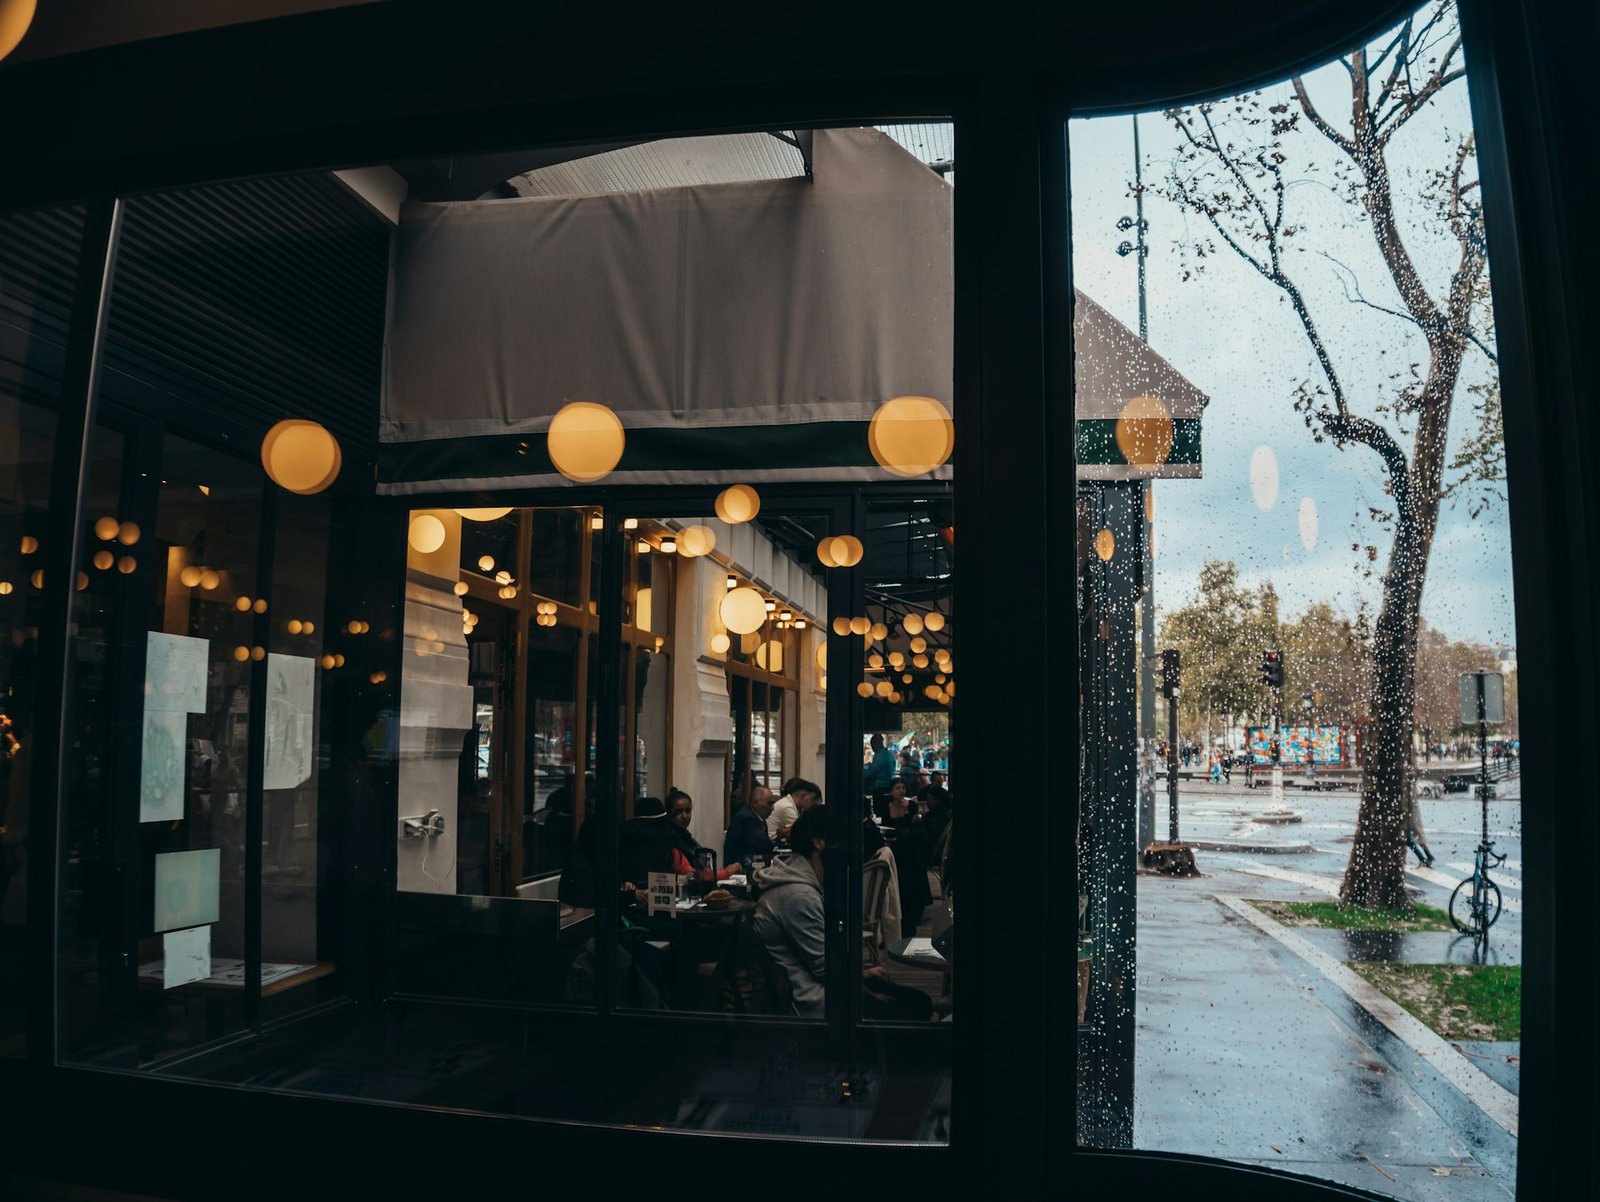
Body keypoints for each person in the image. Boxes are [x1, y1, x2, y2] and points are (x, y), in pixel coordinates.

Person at [752, 805, 931, 1021]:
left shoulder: (803, 881)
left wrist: (862, 976)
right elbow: (826, 970)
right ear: (819, 842)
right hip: (816, 1001)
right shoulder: (797, 895)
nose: (850, 847)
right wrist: (864, 991)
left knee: (917, 1000)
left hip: (821, 985)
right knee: (914, 1007)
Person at [881, 779, 932, 937]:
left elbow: (916, 829)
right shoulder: (886, 807)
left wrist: (914, 820)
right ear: (891, 791)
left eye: (903, 787)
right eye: (898, 788)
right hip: (894, 844)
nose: (901, 791)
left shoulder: (911, 806)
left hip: (908, 847)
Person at [664, 787, 741, 880]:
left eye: (687, 811)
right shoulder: (669, 839)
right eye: (678, 812)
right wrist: (727, 872)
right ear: (669, 813)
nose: (684, 816)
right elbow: (695, 875)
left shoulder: (685, 836)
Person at [724, 784, 775, 872]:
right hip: (739, 870)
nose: (772, 808)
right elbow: (766, 845)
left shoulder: (759, 819)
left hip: (753, 865)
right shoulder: (746, 818)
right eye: (769, 803)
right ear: (755, 803)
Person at [766, 776, 821, 842]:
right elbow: (802, 833)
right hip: (774, 844)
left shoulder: (792, 805)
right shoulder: (787, 807)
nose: (813, 804)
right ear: (803, 795)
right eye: (812, 799)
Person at [1405, 789, 1434, 866]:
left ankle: (1424, 858)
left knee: (1408, 839)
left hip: (1407, 813)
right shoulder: (1409, 786)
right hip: (1409, 812)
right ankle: (1427, 856)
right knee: (1413, 837)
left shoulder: (1407, 787)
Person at [863, 733, 897, 799]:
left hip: (880, 788)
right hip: (888, 786)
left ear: (875, 744)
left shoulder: (880, 756)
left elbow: (871, 772)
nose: (872, 747)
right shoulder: (890, 754)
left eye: (872, 744)